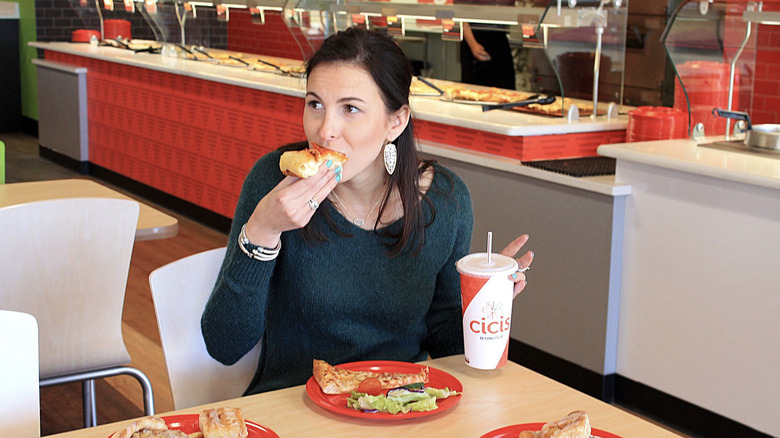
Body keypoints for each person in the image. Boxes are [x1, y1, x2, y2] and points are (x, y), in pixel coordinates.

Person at [201, 26, 533, 395]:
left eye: (351, 109)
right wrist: (261, 231)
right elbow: (223, 345)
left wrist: (485, 303)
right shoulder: (273, 181)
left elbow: (445, 343)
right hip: (295, 407)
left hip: (400, 409)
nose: (325, 130)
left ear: (396, 121)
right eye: (315, 104)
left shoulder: (446, 200)